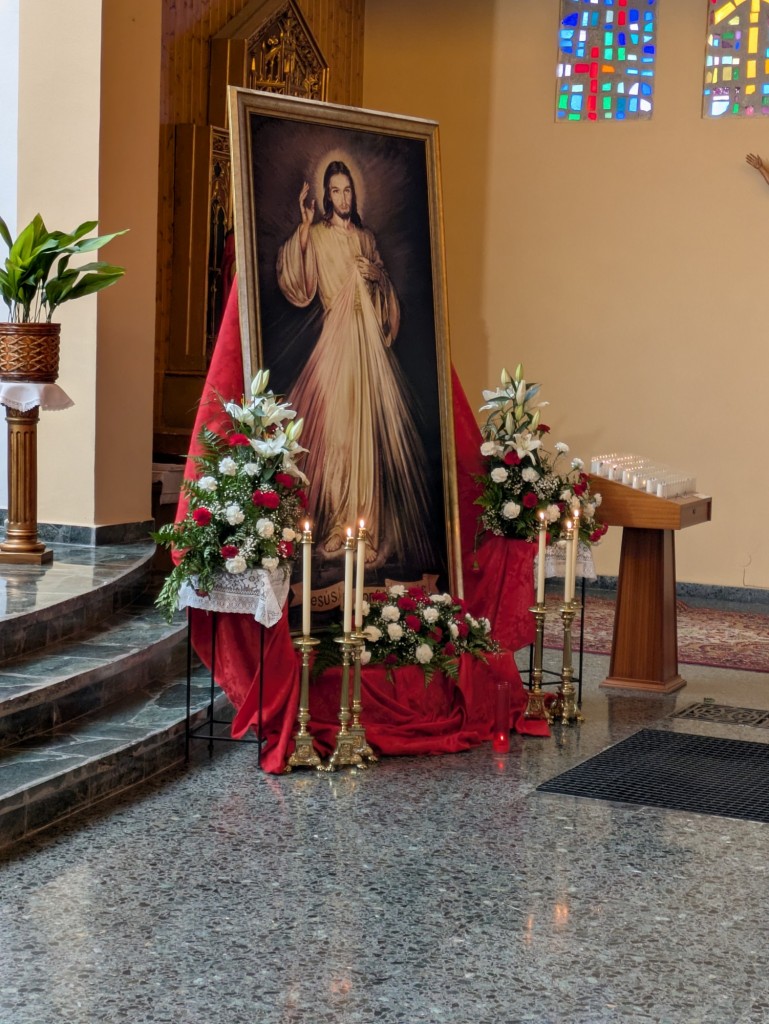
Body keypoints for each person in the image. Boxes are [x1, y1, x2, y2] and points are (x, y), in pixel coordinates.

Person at [276, 159, 435, 567]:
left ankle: (365, 529)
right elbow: (300, 286)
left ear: (354, 194)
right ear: (326, 195)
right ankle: (336, 526)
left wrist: (379, 277)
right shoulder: (316, 235)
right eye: (335, 191)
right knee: (339, 437)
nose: (342, 198)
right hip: (335, 345)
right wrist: (303, 227)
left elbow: (385, 303)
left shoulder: (366, 239)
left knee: (369, 437)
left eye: (348, 191)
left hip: (367, 350)